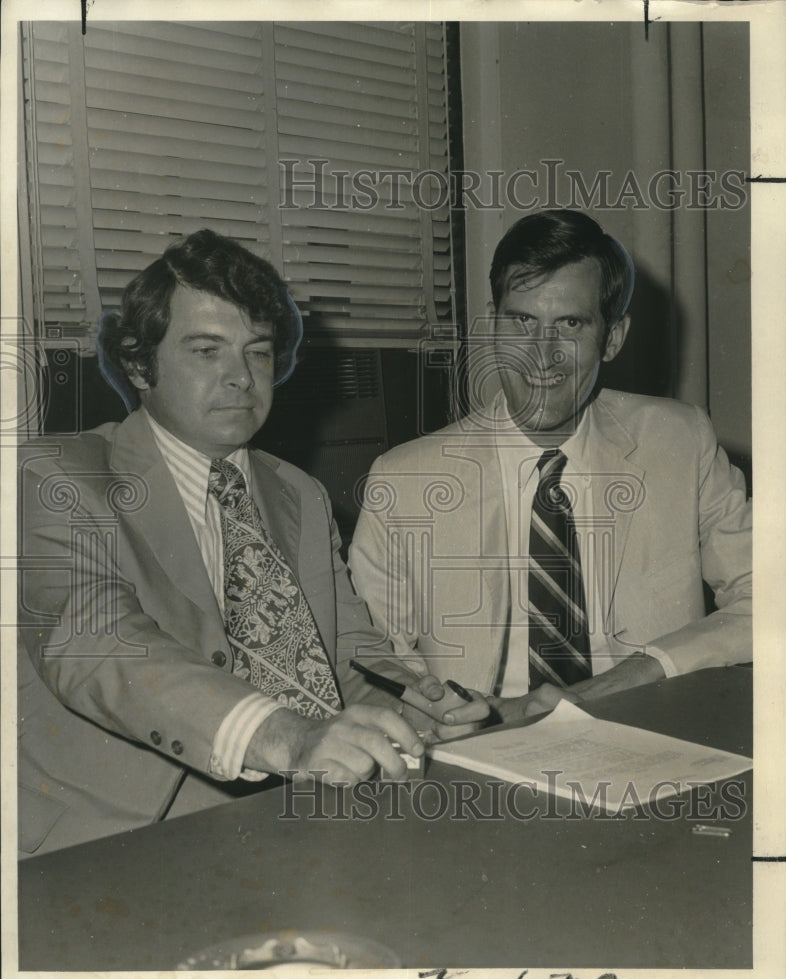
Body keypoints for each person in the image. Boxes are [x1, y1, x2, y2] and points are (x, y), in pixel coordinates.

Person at [17, 229, 486, 856]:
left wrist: (411, 703)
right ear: (138, 363)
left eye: (257, 353)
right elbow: (98, 645)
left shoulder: (301, 493)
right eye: (207, 350)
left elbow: (345, 652)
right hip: (113, 840)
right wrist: (286, 737)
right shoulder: (54, 477)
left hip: (293, 823)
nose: (240, 376)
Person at [349, 210, 752, 722]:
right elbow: (371, 657)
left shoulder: (680, 440)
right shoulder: (404, 482)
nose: (541, 356)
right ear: (492, 325)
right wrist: (443, 716)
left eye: (570, 324)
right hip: (482, 754)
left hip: (650, 727)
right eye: (522, 321)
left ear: (613, 338)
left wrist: (626, 679)